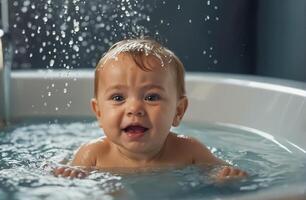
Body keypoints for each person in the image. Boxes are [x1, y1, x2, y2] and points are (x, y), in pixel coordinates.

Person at [53, 38, 247, 180]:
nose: (135, 108)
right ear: (99, 112)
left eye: (151, 97)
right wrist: (71, 176)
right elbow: (63, 180)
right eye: (118, 97)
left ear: (178, 112)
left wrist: (226, 177)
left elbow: (224, 171)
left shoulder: (189, 151)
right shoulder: (93, 154)